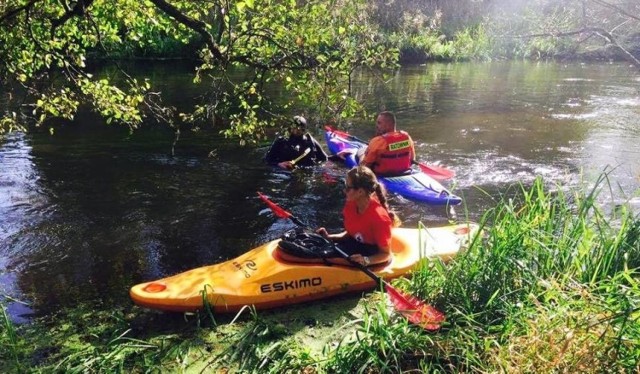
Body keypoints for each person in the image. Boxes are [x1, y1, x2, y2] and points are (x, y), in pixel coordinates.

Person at [316, 165, 400, 266]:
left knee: (320, 256)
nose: (344, 191)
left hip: (371, 253)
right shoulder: (351, 205)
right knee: (316, 247)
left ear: (360, 191)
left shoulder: (379, 218)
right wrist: (330, 237)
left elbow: (386, 254)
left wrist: (365, 260)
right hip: (355, 245)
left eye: (348, 188)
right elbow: (352, 234)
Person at [360, 111, 416, 176]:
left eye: (379, 123)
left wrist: (362, 156)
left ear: (388, 124)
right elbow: (412, 159)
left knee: (361, 151)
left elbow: (365, 166)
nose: (377, 126)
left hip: (383, 174)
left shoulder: (377, 141)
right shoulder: (407, 137)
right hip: (404, 172)